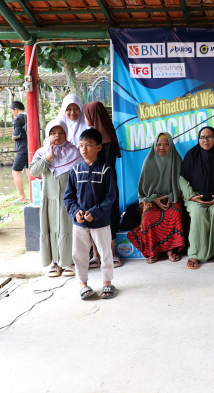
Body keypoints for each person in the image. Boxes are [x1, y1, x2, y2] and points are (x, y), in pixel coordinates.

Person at [64, 128, 117, 300]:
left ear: (99, 147)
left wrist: (95, 212)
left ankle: (107, 283)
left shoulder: (106, 170)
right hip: (80, 223)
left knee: (105, 252)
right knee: (79, 254)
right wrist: (75, 212)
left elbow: (110, 197)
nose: (84, 149)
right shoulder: (75, 171)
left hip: (100, 221)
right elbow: (69, 197)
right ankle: (83, 284)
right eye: (81, 146)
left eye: (89, 145)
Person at [179, 126, 214, 269]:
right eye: (202, 137)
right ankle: (194, 253)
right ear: (198, 139)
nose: (205, 140)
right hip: (195, 199)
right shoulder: (191, 155)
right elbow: (183, 180)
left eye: (209, 137)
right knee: (198, 212)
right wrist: (192, 197)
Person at [30, 119, 81, 277]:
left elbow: (80, 173)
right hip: (49, 199)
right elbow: (33, 171)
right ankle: (54, 262)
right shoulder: (41, 152)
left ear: (67, 134)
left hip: (69, 199)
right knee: (51, 228)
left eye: (61, 133)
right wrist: (49, 157)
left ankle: (69, 262)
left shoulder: (74, 151)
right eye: (52, 133)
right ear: (47, 135)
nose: (57, 136)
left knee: (68, 228)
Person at [128, 132, 186, 263]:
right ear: (154, 145)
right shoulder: (148, 161)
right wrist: (154, 199)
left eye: (166, 144)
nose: (162, 147)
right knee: (149, 217)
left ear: (171, 146)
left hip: (173, 197)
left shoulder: (177, 160)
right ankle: (154, 251)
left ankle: (170, 250)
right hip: (151, 198)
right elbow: (142, 191)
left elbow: (181, 185)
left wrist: (171, 196)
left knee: (174, 213)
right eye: (158, 144)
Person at [82, 101, 122, 268]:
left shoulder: (107, 140)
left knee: (109, 215)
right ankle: (96, 254)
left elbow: (107, 168)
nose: (85, 118)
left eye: (86, 115)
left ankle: (112, 253)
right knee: (92, 216)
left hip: (106, 187)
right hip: (92, 186)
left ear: (93, 115)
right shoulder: (89, 139)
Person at [10, 101, 28, 204]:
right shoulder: (29, 116)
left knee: (15, 172)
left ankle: (22, 197)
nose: (13, 113)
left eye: (12, 111)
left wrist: (13, 137)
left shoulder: (18, 118)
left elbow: (16, 135)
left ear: (16, 109)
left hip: (22, 148)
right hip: (30, 147)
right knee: (29, 170)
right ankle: (33, 194)